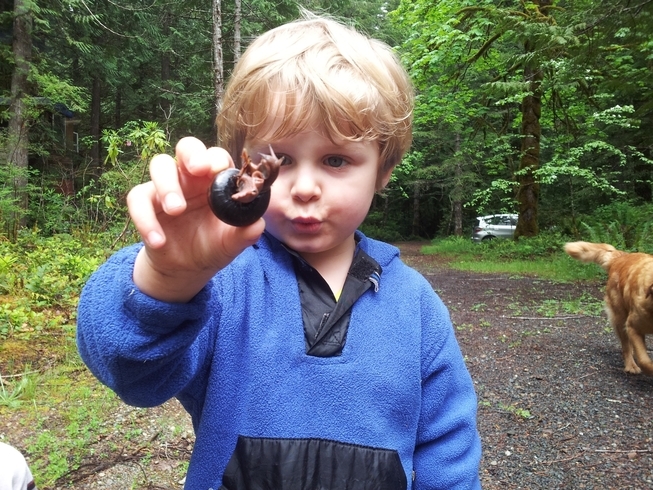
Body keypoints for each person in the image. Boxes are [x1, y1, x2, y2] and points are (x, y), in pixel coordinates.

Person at [77, 14, 482, 490]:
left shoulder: (416, 308)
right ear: (241, 164)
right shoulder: (221, 282)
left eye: (336, 160)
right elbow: (131, 373)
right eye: (281, 160)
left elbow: (447, 449)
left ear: (383, 170)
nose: (305, 187)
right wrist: (169, 278)